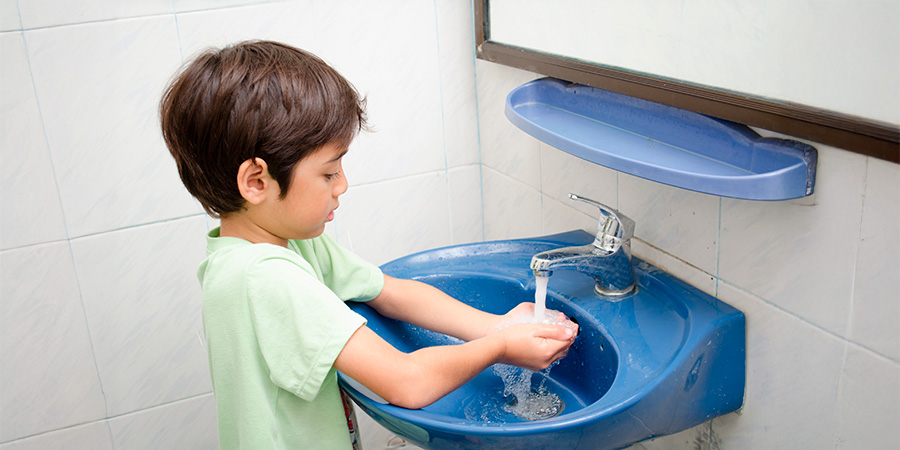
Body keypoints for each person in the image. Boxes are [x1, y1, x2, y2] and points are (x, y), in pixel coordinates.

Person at [160, 40, 577, 449]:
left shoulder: (284, 244)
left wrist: (495, 325)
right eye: (328, 173)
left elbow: (389, 292)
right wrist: (501, 347)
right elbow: (407, 382)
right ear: (256, 182)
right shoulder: (265, 279)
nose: (342, 184)